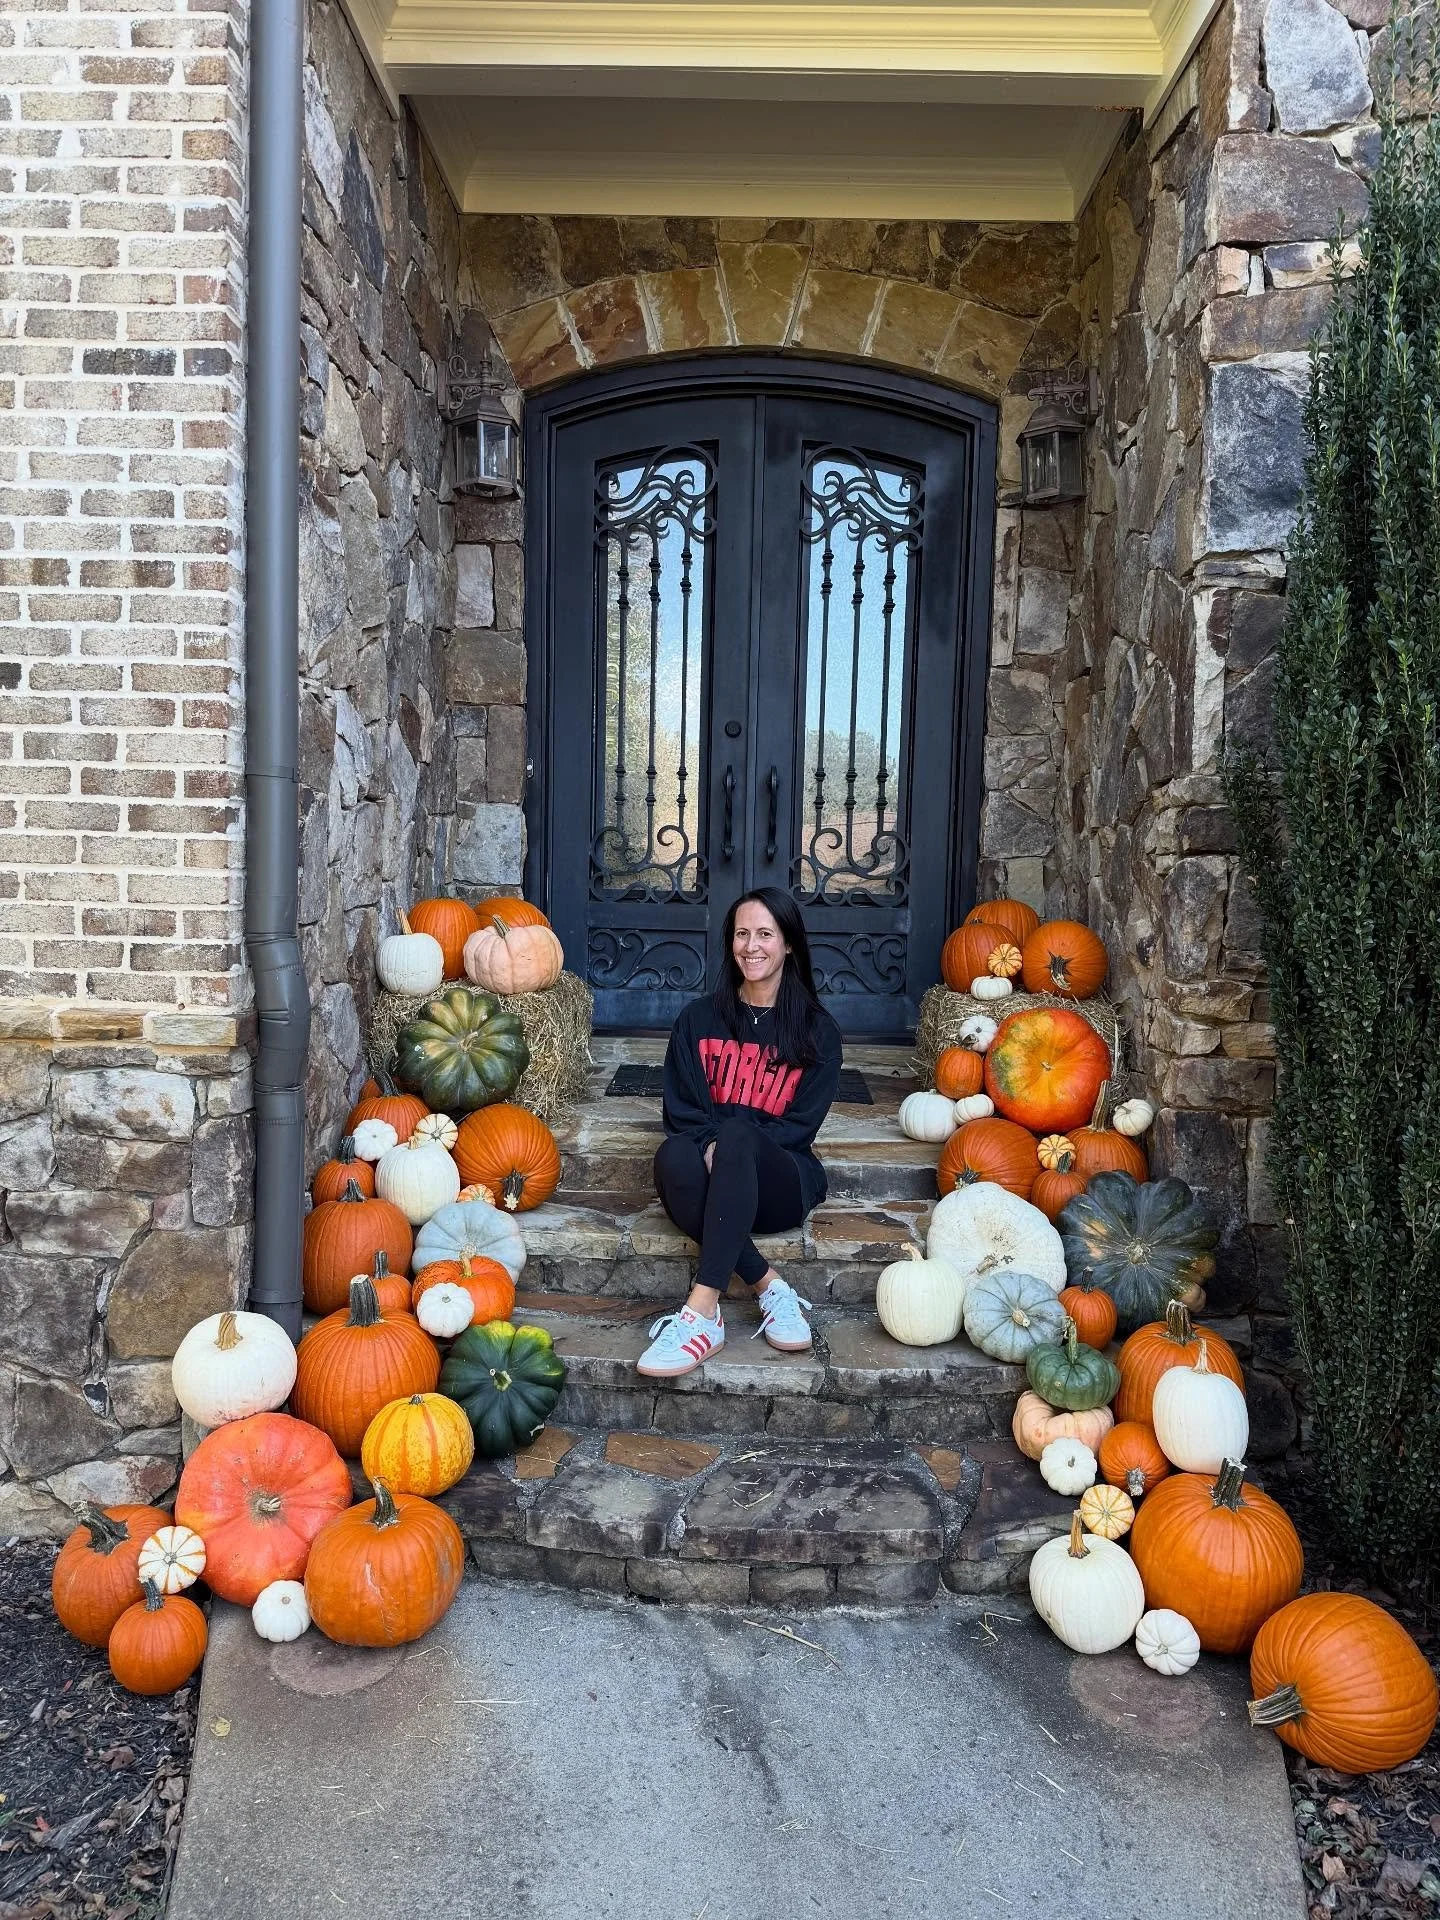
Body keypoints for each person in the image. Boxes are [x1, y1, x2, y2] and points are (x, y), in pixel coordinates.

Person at [637, 886, 843, 1379]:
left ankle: (702, 1310)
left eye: (765, 934)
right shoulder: (697, 1020)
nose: (752, 946)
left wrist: (732, 1145)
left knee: (735, 1135)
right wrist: (714, 1146)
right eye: (742, 933)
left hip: (781, 1182)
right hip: (715, 1178)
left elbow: (798, 1129)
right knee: (672, 1158)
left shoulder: (819, 1031)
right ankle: (768, 1284)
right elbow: (682, 1113)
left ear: (789, 943)